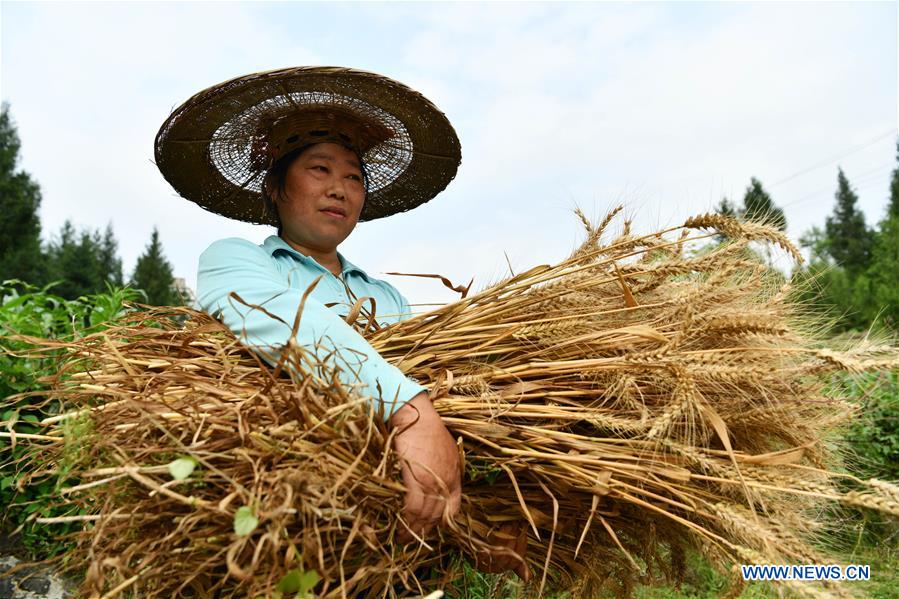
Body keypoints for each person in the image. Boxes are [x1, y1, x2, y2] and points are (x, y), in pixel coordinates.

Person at [155, 66, 529, 581]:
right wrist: (408, 409)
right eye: (319, 169)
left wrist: (484, 516)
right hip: (292, 533)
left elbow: (446, 384)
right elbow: (281, 321)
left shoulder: (386, 296)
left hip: (397, 550)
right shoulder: (237, 261)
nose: (339, 188)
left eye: (353, 176)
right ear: (274, 187)